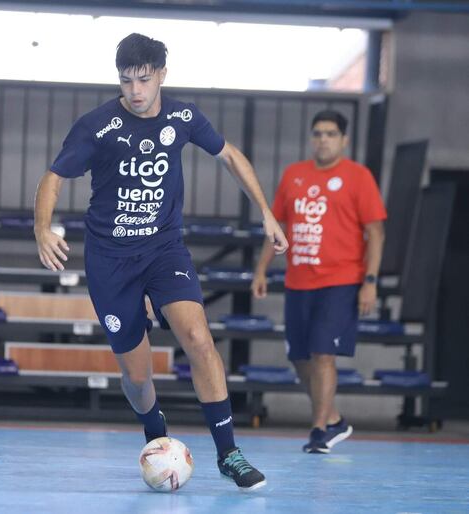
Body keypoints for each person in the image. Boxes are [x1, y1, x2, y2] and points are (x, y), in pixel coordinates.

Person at [34, 33, 287, 492]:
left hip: (164, 249)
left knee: (198, 337)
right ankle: (156, 432)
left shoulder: (183, 117)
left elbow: (230, 156)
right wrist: (42, 229)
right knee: (137, 376)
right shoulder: (97, 127)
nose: (135, 90)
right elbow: (53, 177)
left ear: (162, 75)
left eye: (144, 80)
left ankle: (228, 452)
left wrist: (266, 211)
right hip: (111, 261)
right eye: (126, 81)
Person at [251, 109, 386, 454]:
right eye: (318, 133)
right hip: (299, 281)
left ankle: (319, 431)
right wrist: (261, 269)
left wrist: (370, 281)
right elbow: (277, 225)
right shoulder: (294, 174)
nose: (323, 140)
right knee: (300, 358)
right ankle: (335, 419)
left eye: (330, 134)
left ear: (344, 140)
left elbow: (376, 232)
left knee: (323, 354)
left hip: (341, 280)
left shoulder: (358, 177)